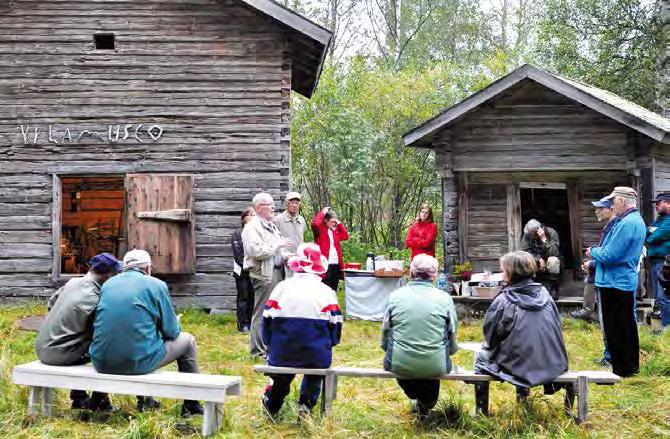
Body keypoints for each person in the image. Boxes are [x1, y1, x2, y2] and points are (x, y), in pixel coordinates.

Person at [89, 250, 203, 416]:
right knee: (187, 341)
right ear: (148, 268)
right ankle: (191, 405)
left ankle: (104, 399)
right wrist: (174, 323)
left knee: (135, 335)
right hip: (137, 362)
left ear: (124, 268)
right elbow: (171, 332)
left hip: (100, 361)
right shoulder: (156, 285)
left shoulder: (108, 285)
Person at [261, 243, 343, 419]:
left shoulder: (281, 288)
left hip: (282, 353)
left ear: (296, 265)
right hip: (316, 355)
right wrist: (327, 344)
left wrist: (271, 345)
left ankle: (272, 403)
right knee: (316, 370)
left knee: (280, 373)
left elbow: (266, 321)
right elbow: (336, 327)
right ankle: (305, 407)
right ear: (319, 266)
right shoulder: (327, 292)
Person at [475, 251, 568, 398]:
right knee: (520, 346)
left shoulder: (504, 300)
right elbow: (557, 325)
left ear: (511, 272)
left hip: (520, 367)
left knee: (481, 356)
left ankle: (481, 411)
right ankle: (523, 400)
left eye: (503, 269)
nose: (501, 272)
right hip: (553, 362)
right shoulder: (546, 294)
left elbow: (490, 336)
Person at [35, 253, 122, 411]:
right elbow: (103, 332)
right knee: (108, 349)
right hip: (59, 354)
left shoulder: (73, 282)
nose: (117, 277)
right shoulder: (94, 297)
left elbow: (51, 303)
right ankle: (99, 403)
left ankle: (79, 398)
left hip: (42, 347)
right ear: (107, 275)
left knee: (83, 340)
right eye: (116, 273)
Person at [381, 254, 458, 420]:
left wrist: (387, 349)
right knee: (432, 365)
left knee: (407, 368)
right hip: (436, 364)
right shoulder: (444, 298)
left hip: (398, 363)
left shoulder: (395, 296)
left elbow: (386, 331)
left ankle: (420, 399)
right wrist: (450, 351)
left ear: (411, 272)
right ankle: (427, 403)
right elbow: (452, 331)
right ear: (435, 275)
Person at [586, 187, 646, 377]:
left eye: (613, 202)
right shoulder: (634, 220)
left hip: (615, 283)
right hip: (621, 281)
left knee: (617, 329)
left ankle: (622, 370)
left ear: (621, 201)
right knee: (626, 328)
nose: (611, 205)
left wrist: (592, 251)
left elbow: (611, 254)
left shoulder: (626, 223)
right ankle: (629, 367)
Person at [242, 192, 293, 357]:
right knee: (262, 312)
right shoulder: (252, 227)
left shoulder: (270, 225)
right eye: (269, 205)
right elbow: (255, 251)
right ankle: (257, 351)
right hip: (264, 275)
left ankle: (270, 347)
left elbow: (279, 249)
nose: (273, 207)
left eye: (273, 204)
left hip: (278, 273)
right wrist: (277, 245)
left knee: (274, 311)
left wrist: (288, 256)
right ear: (259, 208)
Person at [571, 197, 616, 322]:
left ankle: (589, 311)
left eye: (601, 208)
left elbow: (611, 255)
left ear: (611, 209)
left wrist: (593, 259)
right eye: (596, 209)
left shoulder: (615, 228)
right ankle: (588, 310)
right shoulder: (609, 227)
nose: (596, 211)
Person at [646, 192, 670, 329]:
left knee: (664, 295)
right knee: (658, 295)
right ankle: (663, 327)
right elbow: (646, 231)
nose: (656, 206)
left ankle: (667, 329)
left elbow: (653, 238)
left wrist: (652, 233)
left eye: (658, 203)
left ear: (668, 203)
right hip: (656, 262)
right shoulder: (660, 220)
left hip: (665, 262)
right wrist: (652, 231)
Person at [520, 219, 561, 299]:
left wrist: (544, 239)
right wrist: (538, 258)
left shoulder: (552, 232)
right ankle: (530, 285)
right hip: (536, 260)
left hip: (550, 259)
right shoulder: (528, 234)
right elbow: (523, 251)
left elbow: (554, 253)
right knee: (524, 259)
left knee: (553, 260)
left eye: (532, 235)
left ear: (538, 231)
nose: (531, 237)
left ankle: (554, 287)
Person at [312, 207, 349, 291]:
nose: (333, 224)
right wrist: (323, 212)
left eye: (334, 222)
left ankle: (332, 304)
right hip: (325, 264)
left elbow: (345, 236)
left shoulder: (334, 231)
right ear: (325, 220)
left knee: (333, 288)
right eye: (332, 221)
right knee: (324, 289)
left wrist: (339, 223)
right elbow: (315, 223)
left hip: (336, 264)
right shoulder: (320, 230)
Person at [231, 207, 255, 332]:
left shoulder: (257, 232)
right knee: (243, 297)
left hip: (255, 271)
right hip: (241, 272)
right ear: (244, 218)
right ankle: (242, 324)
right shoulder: (237, 233)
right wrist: (247, 266)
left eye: (254, 214)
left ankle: (251, 322)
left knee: (253, 297)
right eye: (249, 214)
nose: (252, 216)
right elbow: (238, 254)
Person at [273, 191, 306, 278]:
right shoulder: (278, 220)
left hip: (299, 261)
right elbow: (273, 241)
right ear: (286, 204)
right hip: (282, 263)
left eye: (297, 203)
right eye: (292, 202)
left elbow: (302, 239)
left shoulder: (302, 220)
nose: (294, 205)